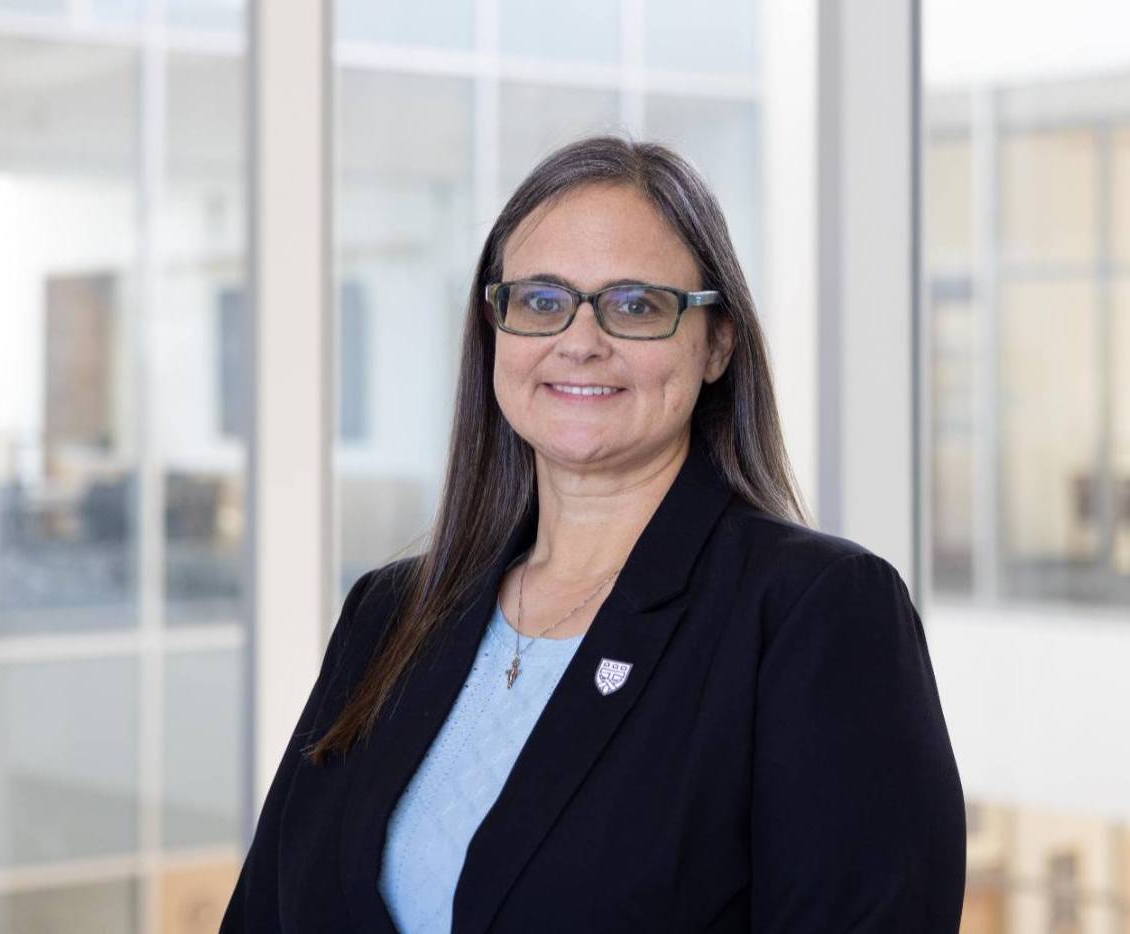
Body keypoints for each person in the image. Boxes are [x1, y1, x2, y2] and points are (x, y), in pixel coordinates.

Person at [220, 135, 965, 933]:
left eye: (636, 305)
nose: (578, 342)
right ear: (495, 327)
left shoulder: (813, 612)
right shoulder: (391, 613)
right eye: (541, 301)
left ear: (717, 343)